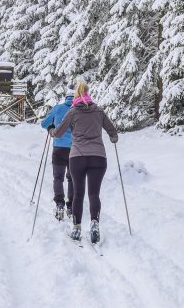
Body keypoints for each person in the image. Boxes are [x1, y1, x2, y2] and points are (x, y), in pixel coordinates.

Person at [50, 79, 118, 244]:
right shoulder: (99, 111)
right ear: (88, 94)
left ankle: (77, 228)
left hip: (77, 157)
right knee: (94, 194)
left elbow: (58, 132)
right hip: (98, 157)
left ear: (76, 95)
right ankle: (94, 223)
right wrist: (113, 138)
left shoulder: (73, 112)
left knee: (79, 194)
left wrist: (51, 131)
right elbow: (112, 131)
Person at [41, 88, 75, 220]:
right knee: (72, 178)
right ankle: (71, 206)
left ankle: (59, 203)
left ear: (66, 98)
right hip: (74, 149)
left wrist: (51, 128)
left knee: (58, 178)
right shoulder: (79, 110)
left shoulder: (58, 108)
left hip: (59, 148)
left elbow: (44, 123)